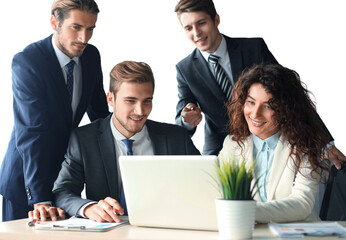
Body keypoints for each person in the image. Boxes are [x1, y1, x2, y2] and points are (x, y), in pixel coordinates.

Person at [173, 0, 346, 168]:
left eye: (201, 23)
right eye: (188, 28)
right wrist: (187, 117)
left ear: (216, 20)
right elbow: (183, 113)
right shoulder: (184, 69)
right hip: (221, 146)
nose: (196, 33)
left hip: (270, 138)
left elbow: (291, 93)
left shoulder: (253, 48)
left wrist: (325, 143)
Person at [29, 61, 200, 222]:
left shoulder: (177, 138)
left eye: (147, 101)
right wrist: (89, 208)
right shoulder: (83, 139)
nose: (140, 111)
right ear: (110, 99)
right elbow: (62, 192)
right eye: (130, 101)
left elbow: (205, 185)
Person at [0, 0, 109, 222]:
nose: (84, 38)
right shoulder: (28, 62)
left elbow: (99, 115)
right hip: (27, 180)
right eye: (76, 27)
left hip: (65, 178)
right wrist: (40, 199)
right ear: (54, 22)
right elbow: (33, 132)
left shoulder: (90, 56)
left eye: (90, 29)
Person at [219, 64, 331, 223]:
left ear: (286, 111)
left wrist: (244, 212)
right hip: (250, 232)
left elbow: (302, 203)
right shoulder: (232, 145)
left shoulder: (305, 145)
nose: (255, 114)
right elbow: (217, 194)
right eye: (251, 102)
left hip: (298, 234)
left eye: (268, 106)